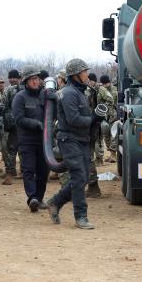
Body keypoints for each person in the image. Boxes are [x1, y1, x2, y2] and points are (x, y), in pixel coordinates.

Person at [45, 59, 104, 230]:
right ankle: (81, 216)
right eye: (84, 71)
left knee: (84, 178)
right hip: (69, 140)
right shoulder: (69, 93)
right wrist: (93, 118)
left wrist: (96, 119)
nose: (87, 74)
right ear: (76, 75)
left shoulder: (79, 92)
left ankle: (55, 202)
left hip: (81, 140)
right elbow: (73, 119)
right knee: (78, 177)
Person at [12, 66, 48, 212]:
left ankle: (39, 198)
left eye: (37, 79)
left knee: (43, 171)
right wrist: (36, 124)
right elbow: (19, 119)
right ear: (26, 81)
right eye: (33, 79)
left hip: (43, 141)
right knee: (28, 170)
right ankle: (32, 198)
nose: (36, 81)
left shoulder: (44, 96)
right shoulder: (20, 97)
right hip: (27, 140)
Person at [1, 69, 22, 185]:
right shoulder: (10, 90)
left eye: (15, 77)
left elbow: (2, 106)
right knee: (13, 149)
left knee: (13, 150)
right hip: (16, 125)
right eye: (11, 77)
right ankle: (10, 173)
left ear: (19, 78)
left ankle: (13, 173)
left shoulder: (9, 90)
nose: (12, 79)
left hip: (19, 124)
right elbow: (3, 106)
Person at [98, 75, 117, 163]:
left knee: (113, 134)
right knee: (106, 134)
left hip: (112, 115)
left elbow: (111, 100)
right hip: (105, 115)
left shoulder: (113, 90)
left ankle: (113, 154)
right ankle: (111, 154)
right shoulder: (103, 89)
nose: (105, 85)